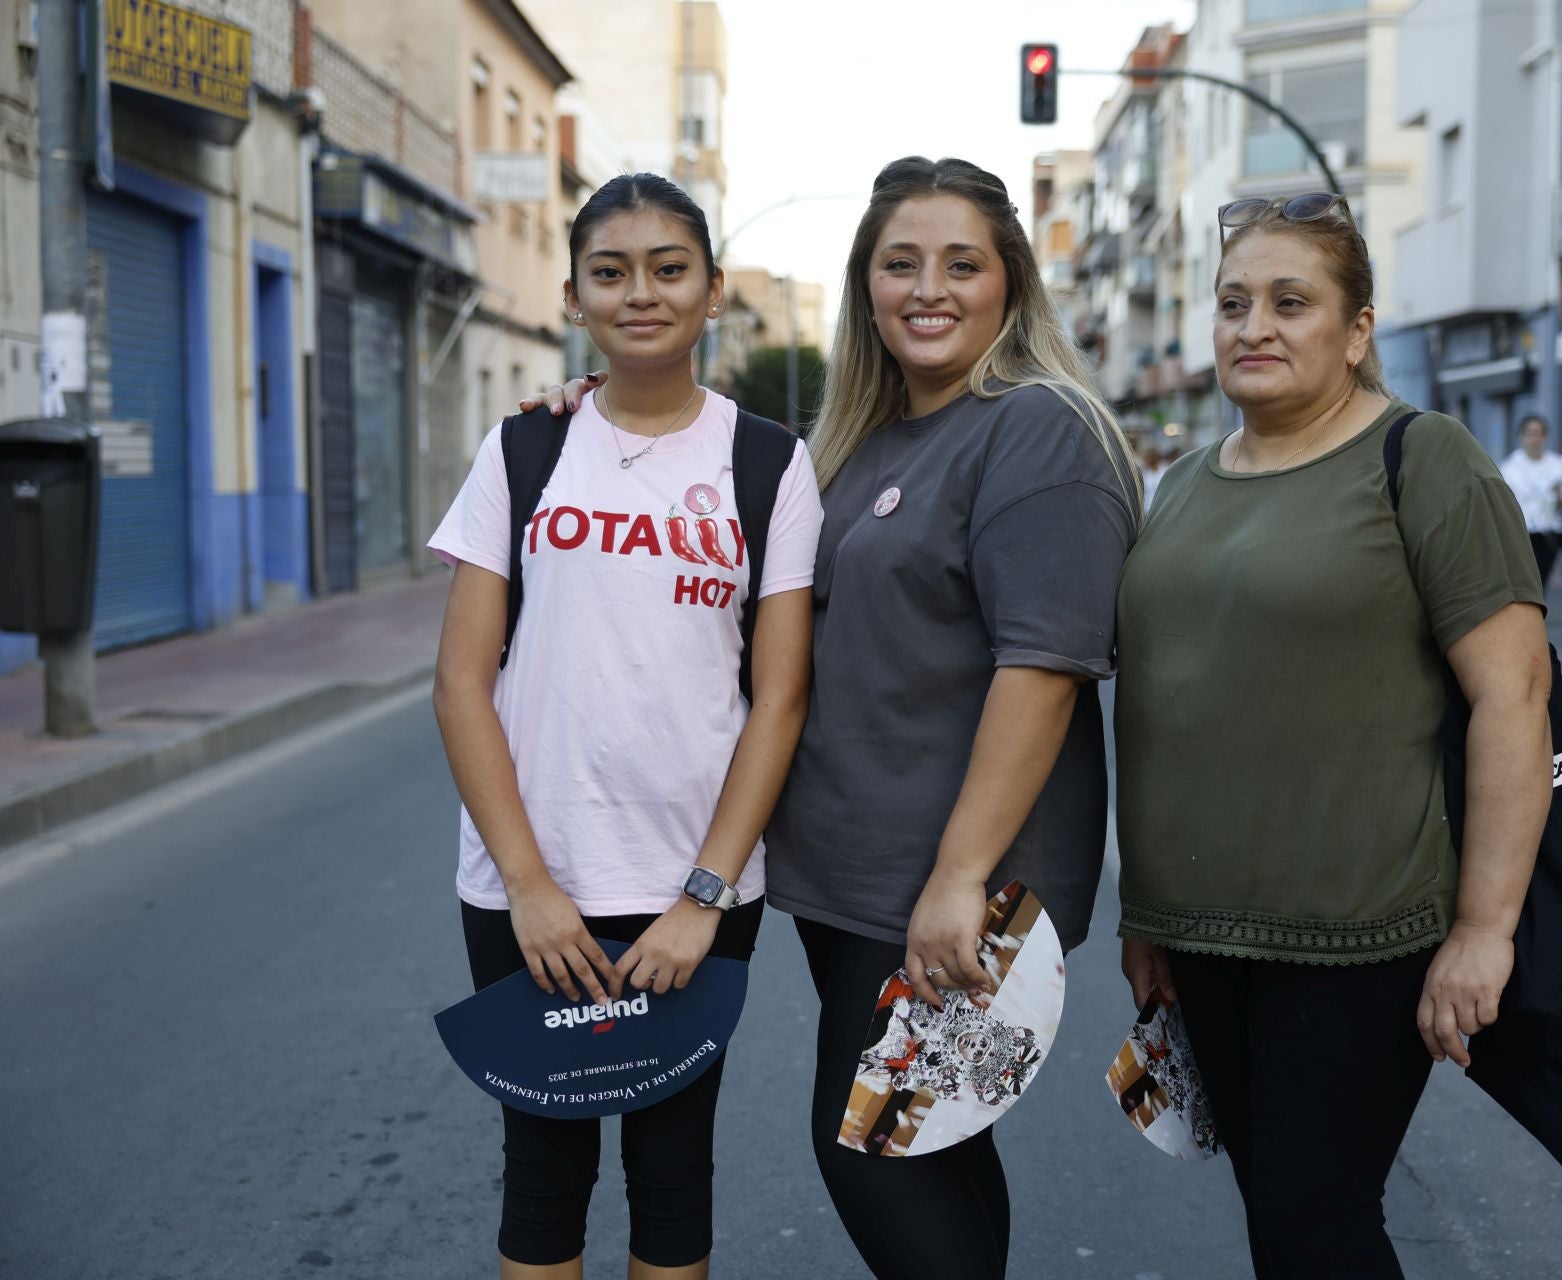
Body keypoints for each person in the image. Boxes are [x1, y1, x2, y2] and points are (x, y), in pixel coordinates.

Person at [524, 156, 1139, 1280]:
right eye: (899, 263)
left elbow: (1043, 667)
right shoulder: (864, 439)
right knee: (932, 1146)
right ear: (865, 285)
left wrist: (960, 877)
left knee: (869, 1150)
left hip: (951, 884)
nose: (928, 287)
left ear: (1013, 280)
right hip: (853, 878)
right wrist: (591, 419)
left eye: (963, 263)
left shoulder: (1037, 427)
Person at [1115, 192, 1552, 1279]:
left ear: (1357, 330)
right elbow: (1173, 697)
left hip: (1361, 934)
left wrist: (1485, 929)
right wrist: (1147, 913)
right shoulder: (1183, 486)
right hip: (1202, 933)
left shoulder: (1424, 458)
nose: (1252, 324)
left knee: (1319, 1221)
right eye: (1232, 302)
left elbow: (1516, 697)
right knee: (1280, 1214)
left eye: (1290, 300)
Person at [432, 173, 824, 1280]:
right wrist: (529, 884)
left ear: (710, 299)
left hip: (692, 890)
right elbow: (463, 683)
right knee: (543, 1170)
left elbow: (778, 698)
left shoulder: (769, 464)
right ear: (573, 296)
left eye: (669, 269)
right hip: (526, 880)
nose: (640, 293)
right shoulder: (522, 450)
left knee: (673, 1169)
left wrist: (703, 895)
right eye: (611, 272)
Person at [1499, 413, 1562, 588]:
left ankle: (1536, 615)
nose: (1534, 439)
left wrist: (1559, 495)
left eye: (1538, 434)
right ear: (1522, 436)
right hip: (1519, 534)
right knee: (1520, 584)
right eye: (1530, 434)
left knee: (1540, 584)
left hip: (1547, 535)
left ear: (1545, 437)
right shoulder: (1510, 466)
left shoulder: (1558, 466)